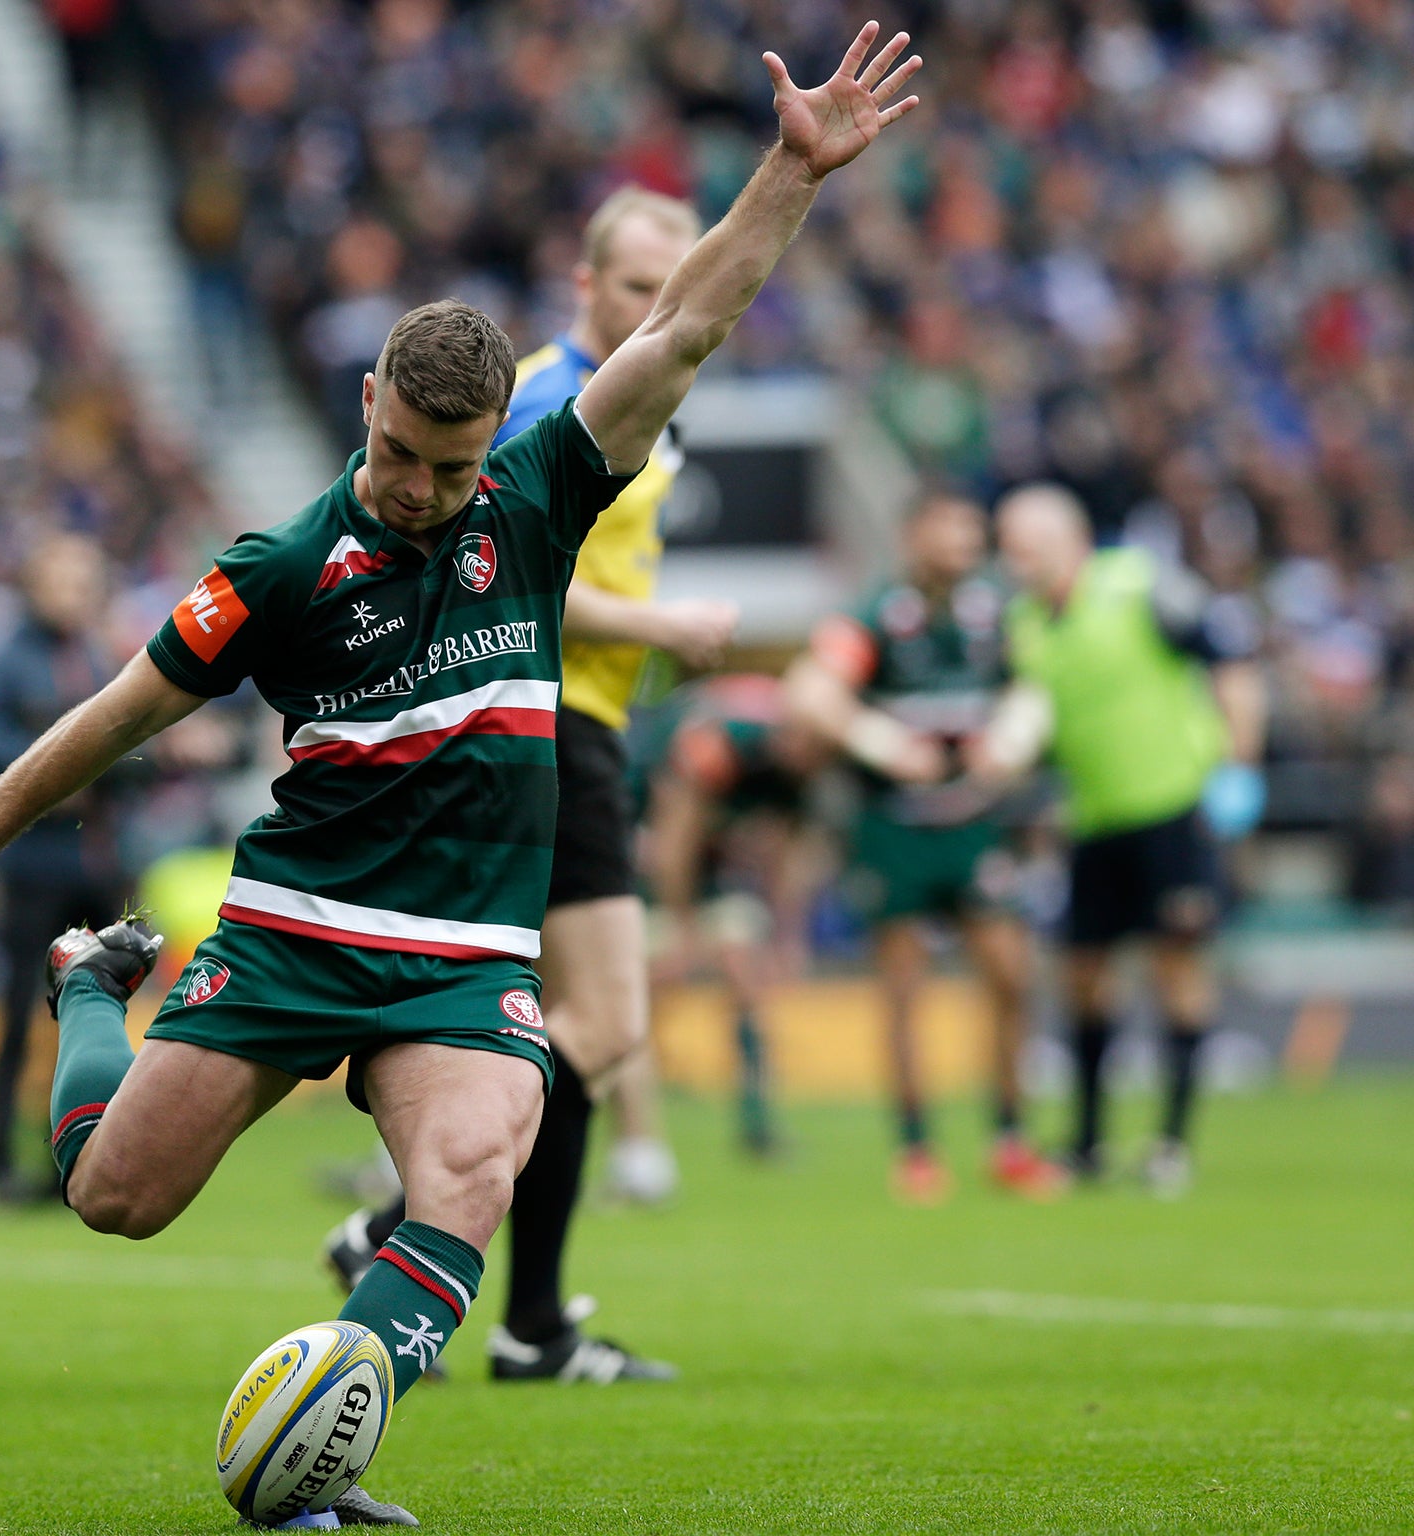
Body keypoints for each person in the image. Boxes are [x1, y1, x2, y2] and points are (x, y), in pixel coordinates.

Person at [0, 27, 921, 1527]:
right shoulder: (283, 565)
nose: (421, 489)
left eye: (451, 463)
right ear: (369, 398)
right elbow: (114, 718)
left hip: (462, 959)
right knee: (114, 1196)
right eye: (400, 452)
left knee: (483, 1159)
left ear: (498, 436)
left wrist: (792, 173)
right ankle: (87, 988)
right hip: (300, 928)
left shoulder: (545, 490)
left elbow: (687, 325)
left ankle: (318, 1457)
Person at [319, 185, 741, 1387]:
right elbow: (491, 569)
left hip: (579, 723)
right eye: (630, 285)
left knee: (572, 1026)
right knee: (592, 1026)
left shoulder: (628, 399)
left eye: (671, 285)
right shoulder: (552, 398)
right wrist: (660, 622)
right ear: (581, 285)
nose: (651, 305)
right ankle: (434, 1248)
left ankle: (512, 1309)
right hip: (547, 726)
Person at [784, 493, 1064, 1204]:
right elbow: (812, 691)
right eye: (950, 526)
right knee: (905, 991)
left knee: (1011, 976)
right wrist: (882, 744)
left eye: (972, 528)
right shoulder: (878, 613)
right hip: (896, 827)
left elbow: (1038, 684)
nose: (965, 539)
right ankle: (915, 1149)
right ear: (914, 535)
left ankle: (1010, 1139)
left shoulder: (996, 610)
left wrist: (1014, 737)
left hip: (975, 823)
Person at [991, 484, 1265, 1197]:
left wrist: (1239, 767)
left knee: (1177, 971)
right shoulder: (1024, 621)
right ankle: (1087, 1145)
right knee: (1083, 976)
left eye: (1021, 542)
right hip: (1093, 819)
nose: (1011, 558)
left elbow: (1231, 663)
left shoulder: (1141, 584)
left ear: (1066, 536)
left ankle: (1172, 1144)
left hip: (1172, 808)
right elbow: (1038, 713)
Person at [0, 533, 125, 1204]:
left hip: (97, 858)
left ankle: (80, 1159)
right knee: (20, 1014)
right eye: (65, 581)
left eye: (86, 580)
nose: (77, 593)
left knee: (98, 1012)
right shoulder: (4, 652)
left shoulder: (92, 651)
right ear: (33, 586)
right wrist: (44, 763)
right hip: (36, 861)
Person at [642, 674, 827, 1162]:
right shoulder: (718, 744)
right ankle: (630, 1136)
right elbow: (672, 840)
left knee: (746, 973)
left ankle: (756, 1122)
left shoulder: (801, 771)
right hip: (643, 857)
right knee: (636, 995)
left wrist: (789, 934)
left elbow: (785, 853)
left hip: (712, 865)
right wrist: (680, 926)